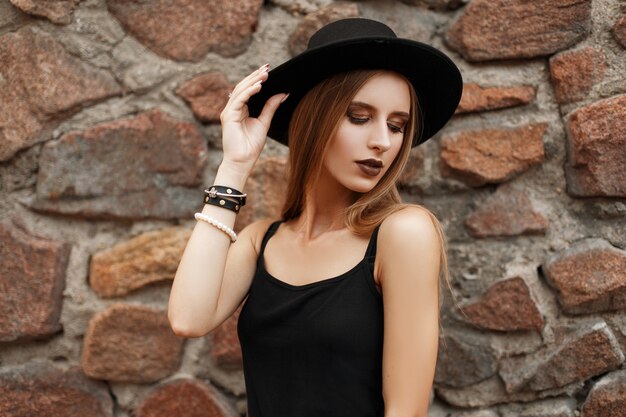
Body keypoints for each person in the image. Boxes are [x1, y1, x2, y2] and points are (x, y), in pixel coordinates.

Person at [168, 18, 463, 417]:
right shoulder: (261, 241)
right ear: (313, 118)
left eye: (397, 125)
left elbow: (406, 411)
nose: (382, 141)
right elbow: (188, 318)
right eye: (359, 117)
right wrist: (234, 167)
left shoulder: (402, 233)